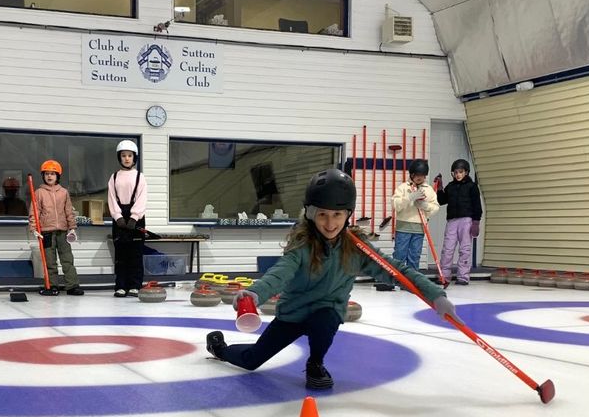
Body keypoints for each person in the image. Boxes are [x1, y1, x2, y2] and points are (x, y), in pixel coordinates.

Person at [204, 168, 460, 390]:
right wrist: (255, 293)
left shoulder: (357, 248)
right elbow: (279, 274)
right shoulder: (302, 246)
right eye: (323, 214)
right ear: (311, 214)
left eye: (337, 215)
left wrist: (435, 296)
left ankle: (315, 364)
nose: (330, 223)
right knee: (252, 361)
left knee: (326, 316)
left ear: (348, 214)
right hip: (293, 314)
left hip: (326, 313)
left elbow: (398, 271)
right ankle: (219, 348)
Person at [29, 159, 82, 296]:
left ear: (58, 176)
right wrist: (34, 228)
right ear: (43, 176)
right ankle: (52, 286)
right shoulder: (39, 192)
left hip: (63, 232)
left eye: (52, 174)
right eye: (47, 174)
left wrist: (72, 227)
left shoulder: (63, 192)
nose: (49, 176)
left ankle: (72, 286)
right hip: (46, 232)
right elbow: (34, 212)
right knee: (50, 261)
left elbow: (68, 211)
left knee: (67, 259)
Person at [108, 140, 147, 297]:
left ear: (134, 157)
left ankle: (135, 285)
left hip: (135, 220)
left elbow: (142, 198)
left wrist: (134, 217)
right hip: (119, 219)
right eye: (123, 155)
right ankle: (121, 286)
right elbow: (111, 198)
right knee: (121, 254)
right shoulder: (114, 177)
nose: (126, 158)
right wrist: (117, 217)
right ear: (119, 157)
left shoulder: (140, 177)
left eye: (129, 155)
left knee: (135, 254)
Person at [434, 159, 482, 286]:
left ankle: (463, 276)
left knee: (465, 249)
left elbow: (477, 205)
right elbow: (442, 201)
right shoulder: (451, 186)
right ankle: (444, 276)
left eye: (460, 172)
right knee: (447, 249)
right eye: (455, 172)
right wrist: (440, 187)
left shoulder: (472, 187)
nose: (458, 175)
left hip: (466, 220)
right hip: (452, 220)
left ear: (466, 172)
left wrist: (476, 222)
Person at [391, 159, 440, 276]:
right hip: (403, 227)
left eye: (422, 175)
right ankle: (397, 278)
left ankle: (412, 279)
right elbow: (395, 205)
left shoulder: (428, 190)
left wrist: (425, 205)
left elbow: (435, 207)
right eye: (417, 175)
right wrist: (409, 198)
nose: (419, 178)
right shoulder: (403, 187)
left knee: (414, 255)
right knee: (399, 254)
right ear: (412, 174)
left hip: (419, 228)